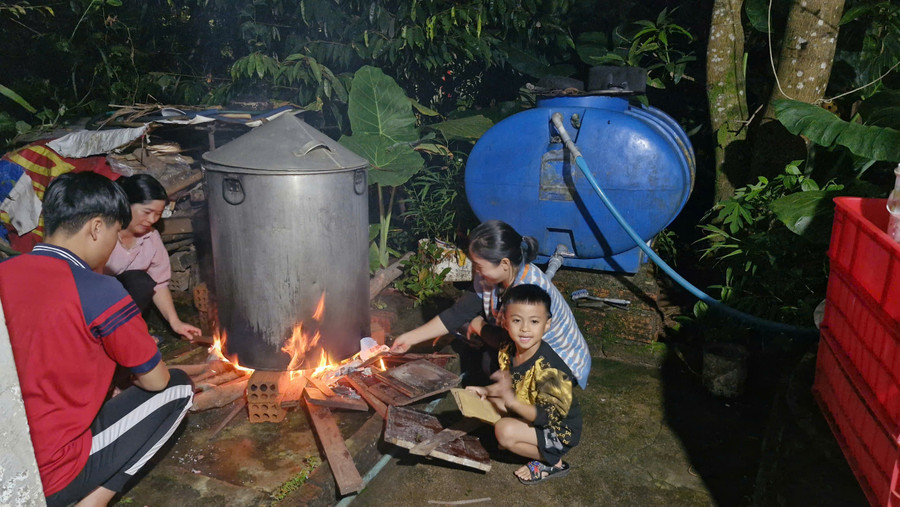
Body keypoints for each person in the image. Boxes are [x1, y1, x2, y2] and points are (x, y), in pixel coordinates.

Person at [0, 172, 194, 506]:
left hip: (8, 458)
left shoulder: (5, 272)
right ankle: (91, 502)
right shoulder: (100, 290)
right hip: (47, 473)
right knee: (177, 387)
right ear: (96, 228)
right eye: (115, 234)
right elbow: (155, 380)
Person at [390, 220, 591, 388]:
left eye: (480, 266)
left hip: (561, 364)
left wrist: (478, 326)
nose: (476, 271)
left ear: (504, 263)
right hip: (522, 347)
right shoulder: (491, 276)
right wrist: (409, 338)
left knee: (494, 366)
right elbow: (457, 313)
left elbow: (509, 342)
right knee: (488, 359)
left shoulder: (527, 291)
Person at [467, 284, 581, 484]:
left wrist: (510, 402)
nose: (525, 328)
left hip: (558, 431)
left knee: (504, 431)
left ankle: (552, 463)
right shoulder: (508, 347)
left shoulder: (551, 370)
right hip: (529, 410)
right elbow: (513, 384)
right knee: (485, 401)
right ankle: (522, 437)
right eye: (517, 320)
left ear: (547, 324)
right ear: (504, 321)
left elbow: (545, 417)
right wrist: (485, 390)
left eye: (534, 321)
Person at [104, 173, 201, 341]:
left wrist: (175, 322)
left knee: (141, 281)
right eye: (147, 212)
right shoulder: (104, 232)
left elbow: (159, 283)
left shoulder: (151, 237)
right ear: (126, 204)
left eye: (158, 214)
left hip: (121, 309)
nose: (152, 219)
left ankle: (125, 334)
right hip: (94, 303)